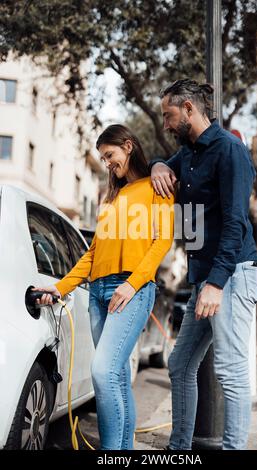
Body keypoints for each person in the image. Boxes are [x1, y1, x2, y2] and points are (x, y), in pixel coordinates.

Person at [33, 124, 174, 450]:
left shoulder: (157, 186)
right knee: (119, 377)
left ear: (128, 146)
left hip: (132, 290)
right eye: (102, 158)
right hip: (97, 292)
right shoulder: (111, 197)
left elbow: (161, 242)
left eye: (109, 155)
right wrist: (62, 287)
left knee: (103, 371)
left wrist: (132, 284)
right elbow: (94, 253)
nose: (107, 163)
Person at [149, 78, 257, 450]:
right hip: (207, 279)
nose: (165, 124)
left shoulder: (229, 151)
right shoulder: (190, 152)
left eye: (168, 116)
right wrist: (157, 166)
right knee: (180, 365)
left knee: (230, 372)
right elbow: (167, 164)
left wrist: (214, 284)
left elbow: (235, 223)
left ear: (188, 110)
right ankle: (179, 448)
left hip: (232, 275)